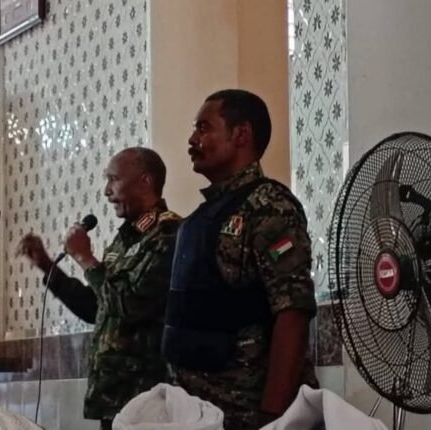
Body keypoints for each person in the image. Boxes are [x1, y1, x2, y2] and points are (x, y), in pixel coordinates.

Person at [162, 89, 318, 430]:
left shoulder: (269, 207)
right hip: (199, 415)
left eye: (204, 128)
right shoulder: (200, 218)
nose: (192, 139)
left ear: (241, 134)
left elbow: (293, 312)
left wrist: (272, 418)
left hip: (246, 414)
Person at [17, 147, 181, 430]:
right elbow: (97, 308)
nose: (106, 191)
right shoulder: (124, 240)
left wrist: (85, 258)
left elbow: (131, 305)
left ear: (145, 181)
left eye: (113, 179)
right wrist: (47, 266)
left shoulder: (169, 234)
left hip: (147, 399)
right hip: (113, 398)